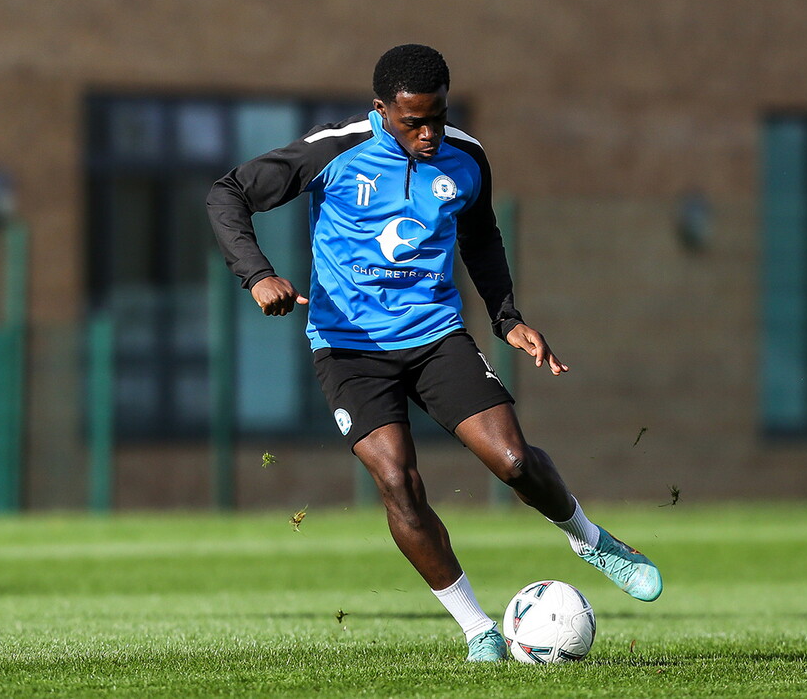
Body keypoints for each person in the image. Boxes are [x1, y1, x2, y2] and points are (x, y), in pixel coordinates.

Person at [206, 44, 662, 662]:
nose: (428, 134)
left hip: (435, 336)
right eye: (412, 121)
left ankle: (590, 539)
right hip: (349, 349)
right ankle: (478, 629)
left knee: (513, 461)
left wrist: (508, 318)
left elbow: (481, 236)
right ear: (380, 110)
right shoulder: (332, 151)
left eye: (438, 118)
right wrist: (257, 274)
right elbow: (227, 194)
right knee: (398, 482)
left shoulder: (467, 158)